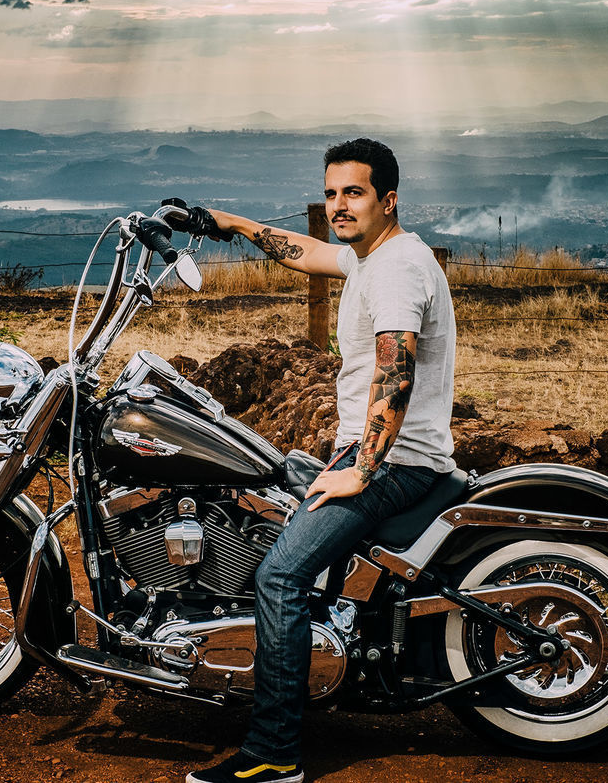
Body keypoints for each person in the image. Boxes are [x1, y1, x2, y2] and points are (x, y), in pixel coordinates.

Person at [173, 138, 456, 783]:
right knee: (263, 486)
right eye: (330, 193)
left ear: (389, 199)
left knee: (279, 576)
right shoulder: (373, 257)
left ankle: (274, 753)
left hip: (395, 462)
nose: (337, 206)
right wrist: (233, 225)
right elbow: (307, 253)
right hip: (376, 453)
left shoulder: (396, 269)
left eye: (353, 193)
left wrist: (364, 466)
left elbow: (397, 368)